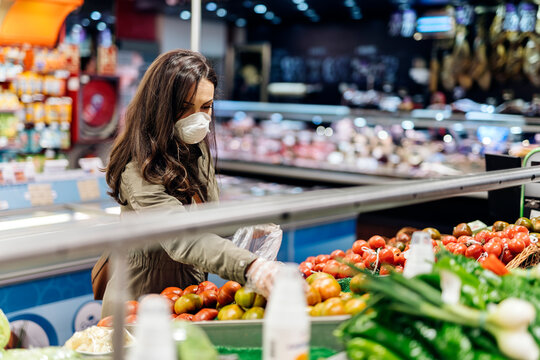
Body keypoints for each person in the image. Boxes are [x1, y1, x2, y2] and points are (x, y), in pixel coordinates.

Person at [97, 49, 280, 316]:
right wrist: (250, 266)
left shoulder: (196, 149)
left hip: (187, 296)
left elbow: (203, 220)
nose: (198, 118)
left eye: (206, 107)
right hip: (139, 302)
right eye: (185, 108)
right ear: (160, 107)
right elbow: (182, 238)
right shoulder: (137, 167)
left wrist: (242, 227)